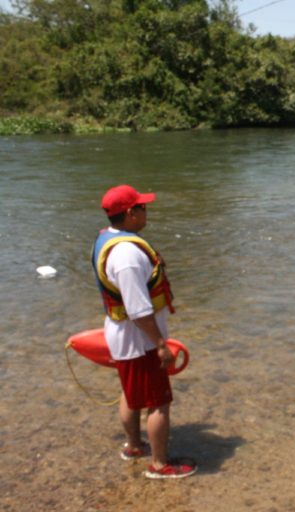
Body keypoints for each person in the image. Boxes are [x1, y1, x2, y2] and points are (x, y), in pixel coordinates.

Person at [92, 185, 196, 479]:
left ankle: (134, 445)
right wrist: (160, 344)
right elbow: (138, 310)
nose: (146, 211)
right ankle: (161, 465)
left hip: (123, 335)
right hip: (139, 341)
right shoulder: (126, 255)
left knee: (130, 392)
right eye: (142, 208)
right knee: (158, 402)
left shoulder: (106, 238)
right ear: (129, 213)